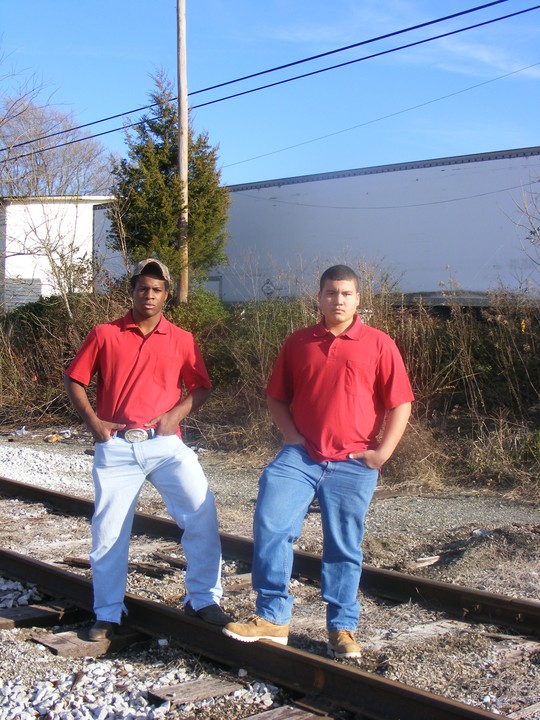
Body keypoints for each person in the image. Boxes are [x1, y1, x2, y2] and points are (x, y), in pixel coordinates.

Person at [223, 264, 414, 658]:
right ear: (319, 297)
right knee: (272, 522)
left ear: (358, 299)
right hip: (302, 456)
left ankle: (342, 628)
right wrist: (291, 436)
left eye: (345, 293)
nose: (337, 300)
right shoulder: (299, 342)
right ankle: (272, 617)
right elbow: (276, 396)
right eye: (330, 293)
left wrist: (382, 453)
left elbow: (401, 403)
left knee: (343, 544)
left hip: (354, 461)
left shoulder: (380, 344)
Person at [64, 258, 231, 641]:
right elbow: (74, 379)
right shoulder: (105, 334)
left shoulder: (182, 339)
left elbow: (201, 387)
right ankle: (108, 613)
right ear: (133, 291)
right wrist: (94, 423)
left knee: (202, 513)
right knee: (108, 531)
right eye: (143, 288)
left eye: (157, 289)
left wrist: (175, 415)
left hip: (166, 446)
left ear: (167, 294)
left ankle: (203, 599)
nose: (149, 295)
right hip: (117, 447)